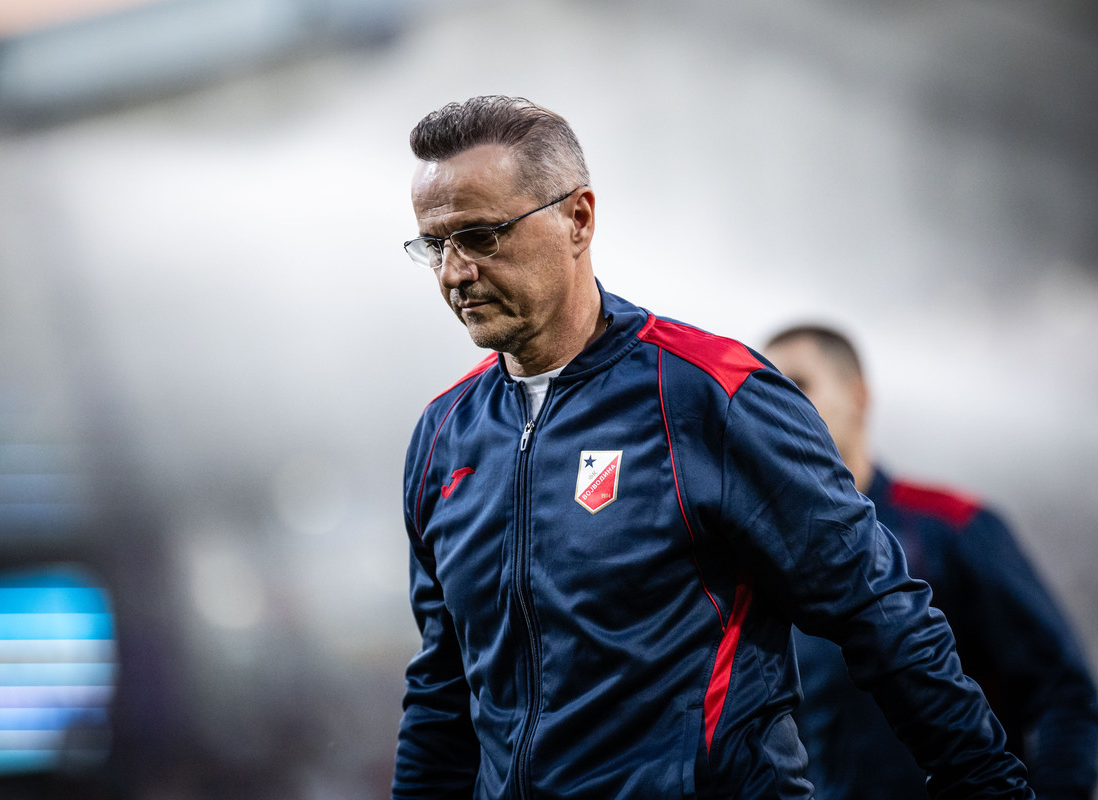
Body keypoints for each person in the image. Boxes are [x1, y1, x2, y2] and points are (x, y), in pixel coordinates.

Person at [393, 94, 1033, 799]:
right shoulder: (441, 437)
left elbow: (878, 613)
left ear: (578, 218)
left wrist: (992, 787)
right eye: (435, 245)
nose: (455, 273)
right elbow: (443, 689)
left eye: (482, 236)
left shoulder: (713, 395)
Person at [762, 324, 1098, 800]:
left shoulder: (953, 526)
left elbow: (1063, 691)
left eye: (798, 384)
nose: (780, 404)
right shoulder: (765, 561)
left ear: (859, 396)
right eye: (768, 388)